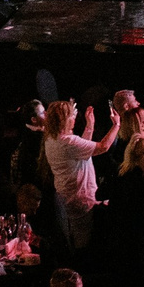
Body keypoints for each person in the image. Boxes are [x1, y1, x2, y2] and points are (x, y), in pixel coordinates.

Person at [41, 98, 119, 250]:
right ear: (64, 120)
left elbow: (83, 151)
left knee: (74, 237)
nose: (74, 118)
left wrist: (90, 125)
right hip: (80, 199)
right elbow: (103, 146)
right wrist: (116, 124)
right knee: (83, 243)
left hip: (66, 196)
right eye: (71, 115)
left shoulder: (51, 139)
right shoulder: (68, 142)